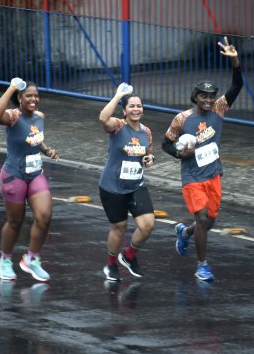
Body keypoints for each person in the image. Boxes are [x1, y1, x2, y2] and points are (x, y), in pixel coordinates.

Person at [161, 36, 243, 282]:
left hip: (213, 174)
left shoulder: (219, 109)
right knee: (203, 217)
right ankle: (202, 265)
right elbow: (166, 143)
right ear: (195, 96)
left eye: (211, 96)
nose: (208, 100)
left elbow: (237, 86)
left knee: (210, 223)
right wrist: (179, 153)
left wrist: (235, 61)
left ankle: (184, 233)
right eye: (203, 96)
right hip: (192, 177)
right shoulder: (182, 119)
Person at [0, 79, 59, 282]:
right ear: (20, 99)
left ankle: (32, 259)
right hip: (14, 175)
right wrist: (12, 87)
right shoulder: (13, 116)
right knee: (15, 221)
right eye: (28, 96)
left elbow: (34, 136)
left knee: (45, 216)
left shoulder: (39, 117)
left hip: (35, 174)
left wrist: (46, 150)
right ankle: (4, 260)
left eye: (36, 96)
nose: (33, 99)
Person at [99, 83, 156, 282]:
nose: (136, 109)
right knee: (120, 227)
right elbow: (103, 118)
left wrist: (150, 159)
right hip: (112, 186)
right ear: (124, 111)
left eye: (139, 106)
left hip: (135, 185)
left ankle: (129, 256)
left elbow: (148, 154)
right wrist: (118, 95)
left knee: (148, 225)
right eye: (131, 106)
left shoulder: (146, 132)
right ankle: (111, 264)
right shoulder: (118, 126)